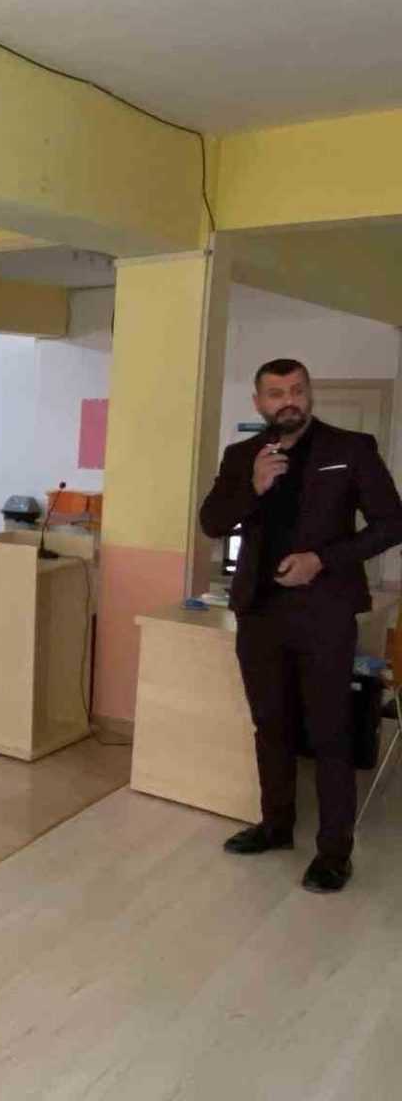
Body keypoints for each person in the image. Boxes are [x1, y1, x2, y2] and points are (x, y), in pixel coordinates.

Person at [200, 358, 402, 895]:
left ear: (309, 394)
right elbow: (212, 522)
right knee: (271, 726)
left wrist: (323, 560)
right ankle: (276, 826)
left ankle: (334, 853)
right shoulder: (242, 456)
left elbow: (392, 523)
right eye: (276, 392)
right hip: (259, 612)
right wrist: (253, 486)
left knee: (330, 732)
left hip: (324, 612)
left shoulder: (351, 448)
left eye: (297, 389)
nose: (288, 400)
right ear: (259, 402)